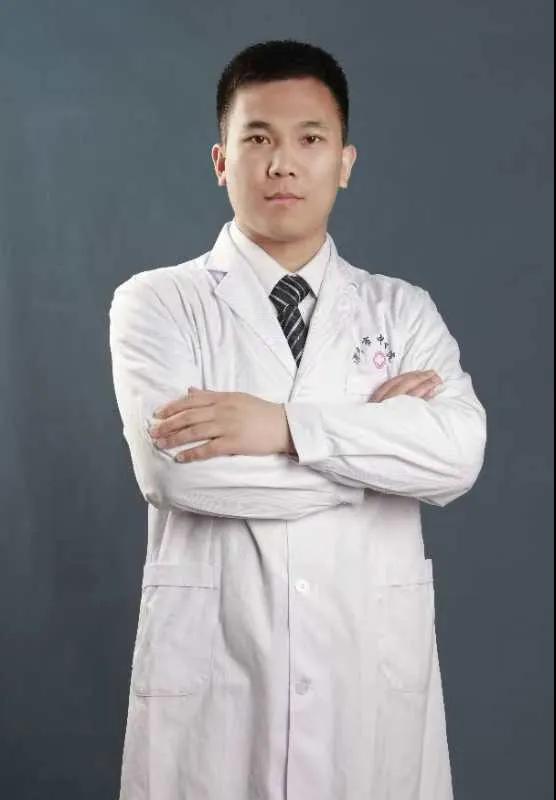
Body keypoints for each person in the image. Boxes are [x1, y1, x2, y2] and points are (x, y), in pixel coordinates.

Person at [109, 38, 487, 800]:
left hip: (367, 691)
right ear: (222, 161)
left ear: (344, 162)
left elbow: (459, 453)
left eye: (310, 139)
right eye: (258, 139)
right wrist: (375, 461)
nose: (283, 163)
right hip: (219, 694)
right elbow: (176, 476)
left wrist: (280, 427)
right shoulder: (158, 303)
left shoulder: (402, 311)